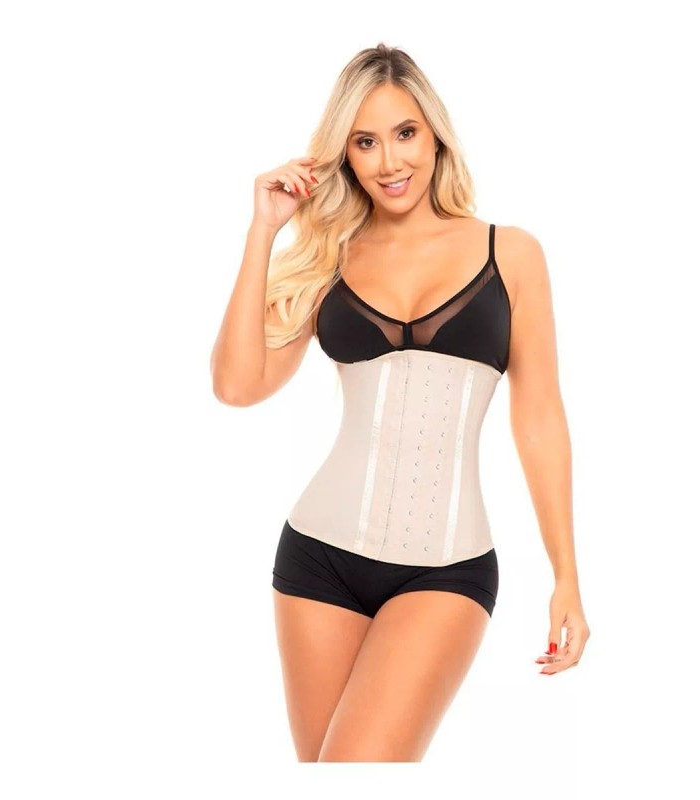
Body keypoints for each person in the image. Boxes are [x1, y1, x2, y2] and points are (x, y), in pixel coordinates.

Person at [210, 43, 590, 762]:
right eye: (365, 142)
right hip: (317, 557)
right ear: (346, 156)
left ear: (435, 134)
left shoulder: (510, 253)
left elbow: (539, 416)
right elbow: (236, 386)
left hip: (446, 567)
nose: (389, 161)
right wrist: (263, 231)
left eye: (405, 133)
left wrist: (565, 574)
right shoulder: (332, 257)